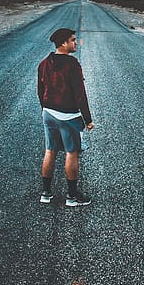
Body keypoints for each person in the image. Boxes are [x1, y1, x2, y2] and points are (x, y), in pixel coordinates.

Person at [37, 27, 95, 206]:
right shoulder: (72, 64)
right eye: (73, 40)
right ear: (63, 43)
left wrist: (45, 109)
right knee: (72, 153)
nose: (76, 43)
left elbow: (41, 90)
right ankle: (71, 197)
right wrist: (88, 119)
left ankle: (46, 194)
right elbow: (80, 95)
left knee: (50, 151)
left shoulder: (44, 63)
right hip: (68, 116)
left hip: (48, 113)